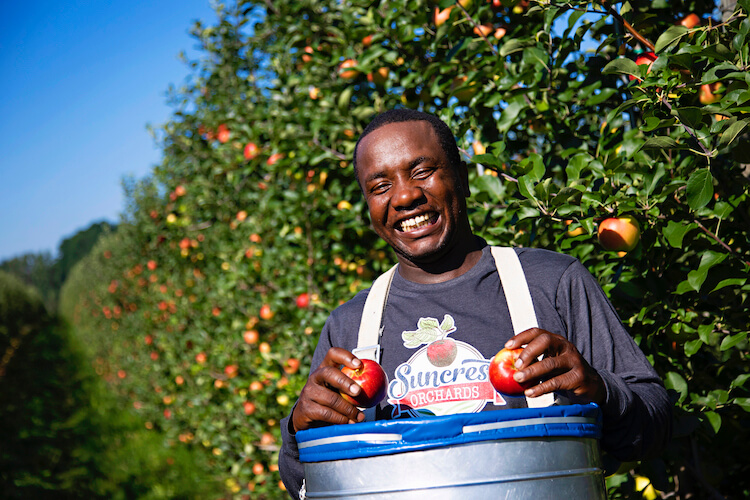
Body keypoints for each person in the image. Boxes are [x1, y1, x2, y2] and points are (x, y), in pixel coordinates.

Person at [278, 109, 671, 498]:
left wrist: (599, 388)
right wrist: (300, 431)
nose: (405, 196)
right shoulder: (351, 327)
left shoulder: (551, 282)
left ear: (462, 178)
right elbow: (310, 487)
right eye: (380, 186)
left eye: (421, 172)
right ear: (368, 206)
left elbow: (656, 427)